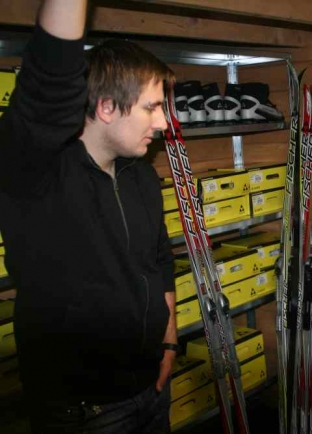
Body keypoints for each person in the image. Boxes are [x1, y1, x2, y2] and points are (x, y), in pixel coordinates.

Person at [0, 1, 178, 432]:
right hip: (85, 412)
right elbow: (48, 83)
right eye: (152, 107)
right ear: (106, 107)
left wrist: (170, 343)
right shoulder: (38, 174)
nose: (164, 122)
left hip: (151, 390)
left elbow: (159, 262)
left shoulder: (141, 176)